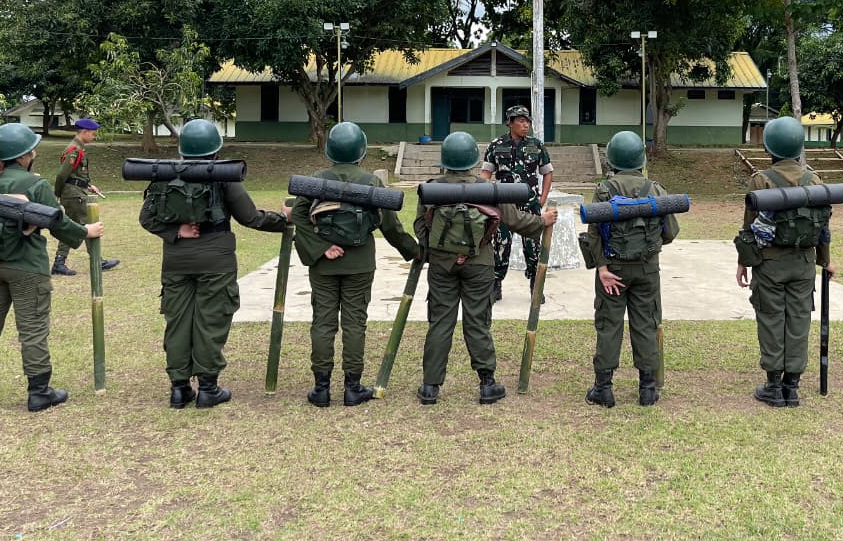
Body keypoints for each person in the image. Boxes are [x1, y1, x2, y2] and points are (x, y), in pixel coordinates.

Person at [0, 123, 105, 412]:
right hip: (26, 266)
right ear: (24, 155)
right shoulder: (34, 184)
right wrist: (86, 232)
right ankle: (39, 392)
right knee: (33, 329)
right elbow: (57, 222)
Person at [139, 119, 289, 409]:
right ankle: (208, 388)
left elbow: (146, 218)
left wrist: (175, 232)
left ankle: (179, 388)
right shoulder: (222, 176)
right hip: (216, 260)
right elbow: (251, 217)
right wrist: (283, 220)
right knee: (210, 321)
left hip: (176, 260)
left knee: (178, 323)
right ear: (216, 149)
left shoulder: (164, 175)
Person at [413, 131, 557, 406]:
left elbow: (421, 226)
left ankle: (430, 387)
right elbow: (516, 221)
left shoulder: (432, 188)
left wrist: (438, 253)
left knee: (440, 322)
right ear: (473, 160)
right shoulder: (488, 189)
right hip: (479, 263)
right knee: (478, 320)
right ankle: (487, 384)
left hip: (442, 266)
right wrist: (542, 220)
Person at [290, 121, 418, 408]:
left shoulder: (315, 180)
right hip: (360, 262)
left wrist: (322, 248)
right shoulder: (371, 182)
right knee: (355, 324)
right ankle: (353, 388)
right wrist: (413, 250)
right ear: (361, 150)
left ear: (330, 150)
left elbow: (299, 217)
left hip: (323, 265)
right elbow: (390, 226)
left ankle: (321, 389)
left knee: (322, 323)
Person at [735, 116, 835, 408]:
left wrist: (744, 261)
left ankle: (773, 385)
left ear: (770, 148)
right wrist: (825, 261)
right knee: (799, 321)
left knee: (771, 318)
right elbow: (823, 226)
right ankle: (792, 386)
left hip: (770, 263)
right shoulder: (814, 180)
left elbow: (750, 226)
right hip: (804, 262)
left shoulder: (761, 180)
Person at [582, 131, 680, 408]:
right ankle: (648, 389)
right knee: (646, 325)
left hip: (612, 270)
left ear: (611, 158)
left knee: (608, 326)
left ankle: (604, 388)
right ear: (641, 158)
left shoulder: (604, 189)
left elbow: (593, 234)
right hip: (647, 269)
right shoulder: (655, 189)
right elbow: (670, 232)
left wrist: (601, 266)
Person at [481, 104, 553, 300]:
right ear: (510, 123)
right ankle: (495, 285)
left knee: (533, 247)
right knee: (500, 245)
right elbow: (485, 174)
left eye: (527, 121)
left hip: (530, 206)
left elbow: (547, 173)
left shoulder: (536, 145)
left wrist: (542, 198)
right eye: (521, 121)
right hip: (503, 206)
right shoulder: (496, 145)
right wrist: (488, 198)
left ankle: (535, 287)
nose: (526, 124)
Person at [51, 117, 119, 277]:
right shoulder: (74, 150)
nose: (94, 137)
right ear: (85, 132)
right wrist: (57, 193)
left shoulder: (78, 148)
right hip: (74, 195)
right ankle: (97, 261)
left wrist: (88, 186)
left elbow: (74, 175)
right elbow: (62, 176)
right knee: (87, 226)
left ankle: (60, 263)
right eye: (93, 134)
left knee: (75, 227)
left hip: (76, 193)